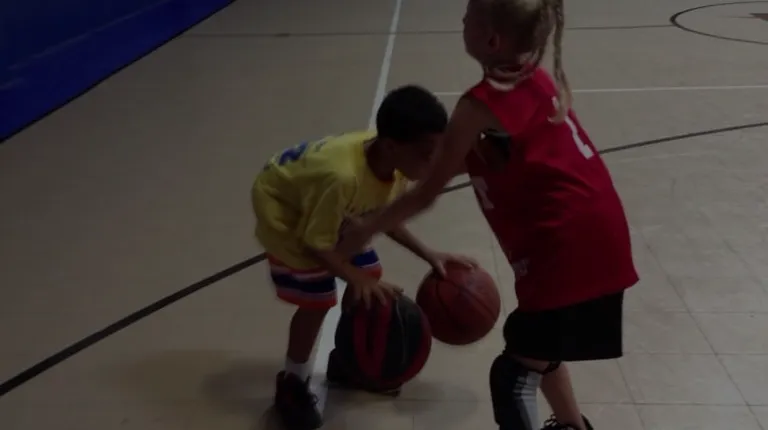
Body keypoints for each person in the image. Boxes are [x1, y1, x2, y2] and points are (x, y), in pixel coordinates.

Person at [337, 1, 639, 429]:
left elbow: (427, 192)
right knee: (539, 349)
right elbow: (470, 161)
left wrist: (367, 228)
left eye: (469, 17)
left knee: (513, 376)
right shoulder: (533, 80)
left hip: (568, 248)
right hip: (597, 237)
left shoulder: (479, 106)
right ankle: (573, 426)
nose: (462, 20)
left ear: (491, 39)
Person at [251, 84, 476, 430]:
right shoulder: (342, 178)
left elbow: (382, 215)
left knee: (370, 279)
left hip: (320, 204)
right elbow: (314, 244)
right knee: (317, 302)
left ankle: (348, 360)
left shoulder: (392, 162)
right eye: (426, 153)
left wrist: (428, 254)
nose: (433, 162)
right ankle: (292, 384)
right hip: (287, 215)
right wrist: (351, 276)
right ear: (392, 146)